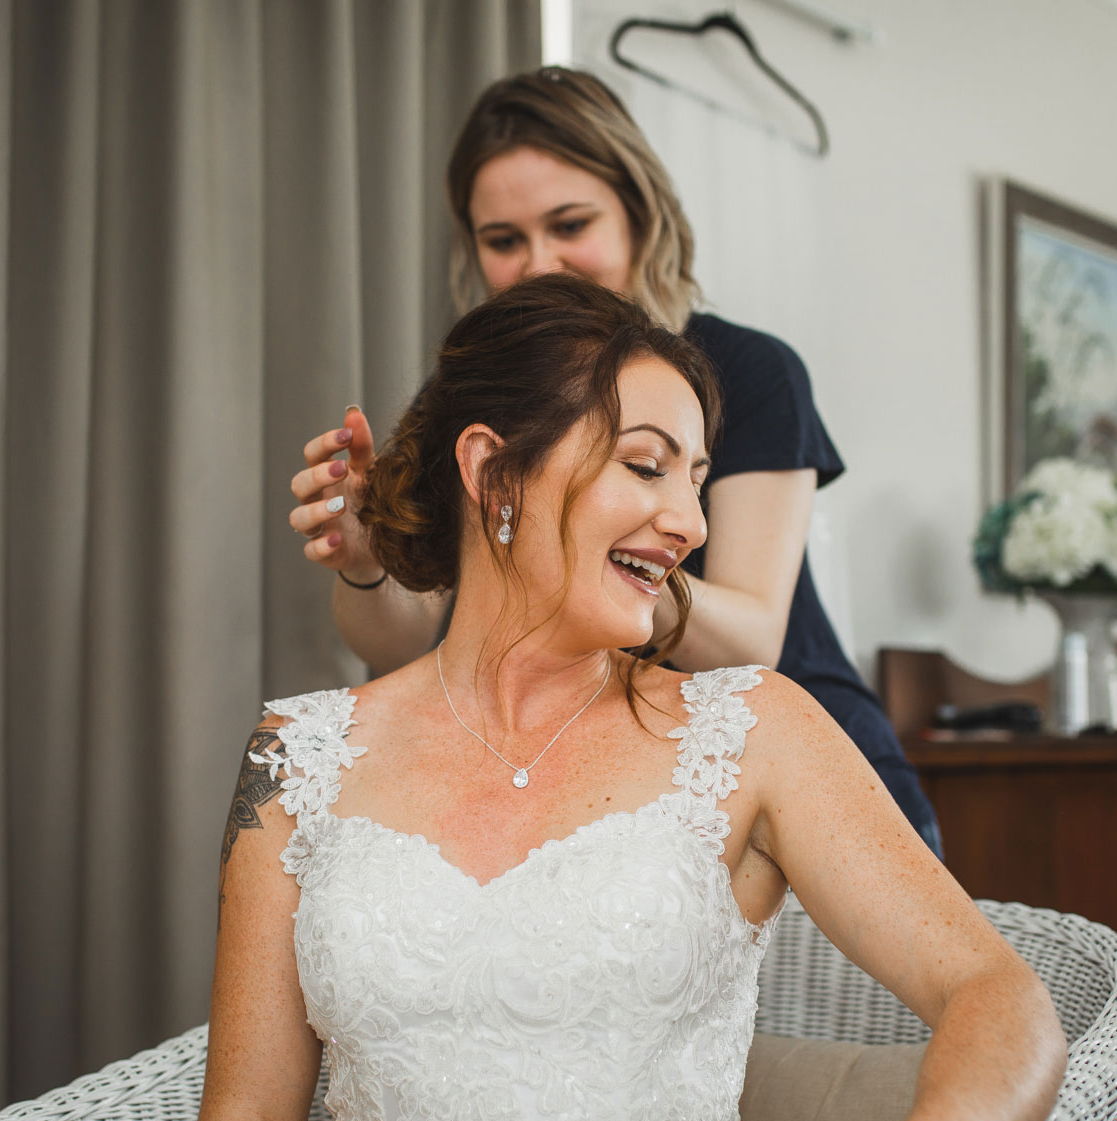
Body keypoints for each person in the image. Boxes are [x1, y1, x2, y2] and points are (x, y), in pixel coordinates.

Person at [195, 274, 1065, 1121]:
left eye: (696, 480)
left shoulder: (750, 729)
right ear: (491, 470)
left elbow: (1000, 1000)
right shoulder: (298, 756)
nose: (689, 522)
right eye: (645, 465)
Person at [287, 67, 942, 855]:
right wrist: (367, 561)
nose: (540, 263)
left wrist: (582, 554)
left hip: (805, 780)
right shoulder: (472, 398)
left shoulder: (752, 372)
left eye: (570, 225)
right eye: (504, 240)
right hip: (604, 790)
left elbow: (750, 641)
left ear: (639, 212)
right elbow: (407, 640)